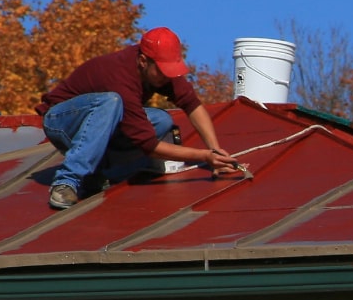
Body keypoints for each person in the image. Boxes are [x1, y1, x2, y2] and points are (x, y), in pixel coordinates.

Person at [38, 27, 239, 209]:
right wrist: (204, 156)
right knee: (111, 101)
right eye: (161, 71)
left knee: (162, 120)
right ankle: (66, 182)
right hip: (61, 121)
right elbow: (148, 145)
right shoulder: (120, 76)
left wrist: (215, 151)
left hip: (97, 124)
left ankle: (98, 173)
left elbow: (192, 104)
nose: (166, 77)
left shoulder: (159, 71)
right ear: (143, 61)